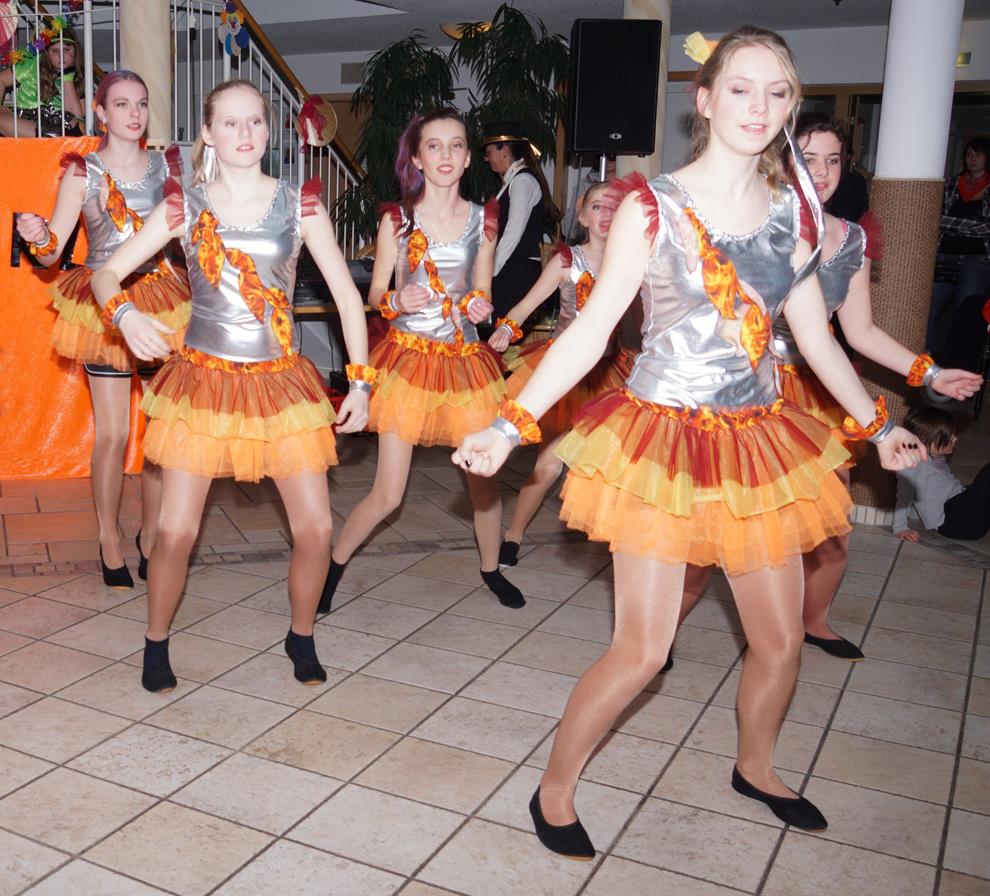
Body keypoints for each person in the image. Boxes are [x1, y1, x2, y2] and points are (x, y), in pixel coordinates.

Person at [453, 26, 925, 854]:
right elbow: (591, 330)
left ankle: (756, 767)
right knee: (642, 651)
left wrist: (879, 426)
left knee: (781, 642)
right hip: (661, 443)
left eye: (777, 92)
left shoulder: (794, 216)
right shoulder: (652, 207)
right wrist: (508, 423)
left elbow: (816, 343)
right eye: (741, 88)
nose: (760, 106)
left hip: (759, 444)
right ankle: (554, 787)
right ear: (704, 101)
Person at [89, 79, 371, 691]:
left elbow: (348, 299)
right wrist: (126, 315)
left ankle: (302, 634)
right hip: (203, 384)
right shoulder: (183, 206)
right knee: (175, 532)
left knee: (317, 529)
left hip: (281, 385)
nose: (245, 133)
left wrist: (361, 382)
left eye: (256, 122)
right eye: (231, 123)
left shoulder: (301, 206)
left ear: (269, 131)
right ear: (209, 134)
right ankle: (156, 642)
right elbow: (106, 274)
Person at [677, 116, 982, 661]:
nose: (820, 172)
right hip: (743, 391)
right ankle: (659, 636)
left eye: (833, 160)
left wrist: (932, 373)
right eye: (808, 159)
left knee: (829, 528)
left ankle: (813, 623)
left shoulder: (851, 238)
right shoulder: (747, 226)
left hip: (816, 394)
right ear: (781, 163)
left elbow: (860, 333)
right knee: (716, 531)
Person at [316, 108, 525, 616]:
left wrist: (479, 306)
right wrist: (396, 300)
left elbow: (481, 290)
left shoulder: (484, 220)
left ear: (469, 157)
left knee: (483, 483)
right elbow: (375, 295)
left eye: (456, 145)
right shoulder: (397, 220)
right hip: (407, 363)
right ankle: (333, 567)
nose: (446, 155)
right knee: (388, 494)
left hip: (464, 364)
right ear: (417, 158)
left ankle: (491, 569)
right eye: (434, 146)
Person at [16, 69, 190, 588]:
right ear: (100, 113)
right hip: (104, 305)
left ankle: (150, 534)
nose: (134, 114)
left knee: (160, 431)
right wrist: (37, 236)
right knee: (113, 433)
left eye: (141, 103)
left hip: (164, 304)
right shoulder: (83, 172)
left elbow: (189, 238)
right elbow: (51, 254)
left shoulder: (169, 165)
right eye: (121, 104)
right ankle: (108, 537)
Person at [489, 180, 633, 567]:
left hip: (611, 374)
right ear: (583, 216)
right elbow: (525, 306)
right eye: (598, 207)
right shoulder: (568, 261)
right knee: (550, 465)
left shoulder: (634, 262)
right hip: (566, 374)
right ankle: (514, 534)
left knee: (620, 463)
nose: (607, 215)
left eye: (615, 207)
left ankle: (624, 543)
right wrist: (507, 329)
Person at [483, 119, 560, 322]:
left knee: (501, 331)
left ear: (504, 151)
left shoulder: (523, 181)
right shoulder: (514, 181)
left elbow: (513, 233)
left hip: (516, 273)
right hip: (510, 270)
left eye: (489, 152)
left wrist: (489, 271)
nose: (486, 159)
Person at [929, 136, 990, 356]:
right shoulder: (952, 183)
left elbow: (987, 228)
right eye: (969, 154)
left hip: (977, 258)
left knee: (964, 313)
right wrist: (969, 226)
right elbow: (935, 218)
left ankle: (955, 361)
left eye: (978, 154)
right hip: (946, 254)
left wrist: (950, 224)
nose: (972, 159)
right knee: (927, 308)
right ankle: (929, 357)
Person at [894, 407, 990, 542]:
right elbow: (905, 496)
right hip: (955, 521)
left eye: (954, 434)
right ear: (924, 441)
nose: (955, 438)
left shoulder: (935, 456)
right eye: (948, 436)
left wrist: (917, 514)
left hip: (964, 512)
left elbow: (929, 490)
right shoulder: (912, 464)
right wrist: (900, 527)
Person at [1, 27, 84, 136]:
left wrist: (67, 77)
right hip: (27, 120)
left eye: (66, 50)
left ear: (75, 51)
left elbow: (75, 116)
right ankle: (50, 136)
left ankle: (50, 136)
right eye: (55, 51)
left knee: (81, 125)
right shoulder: (32, 64)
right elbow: (1, 79)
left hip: (59, 123)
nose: (61, 55)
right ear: (47, 53)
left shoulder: (81, 76)